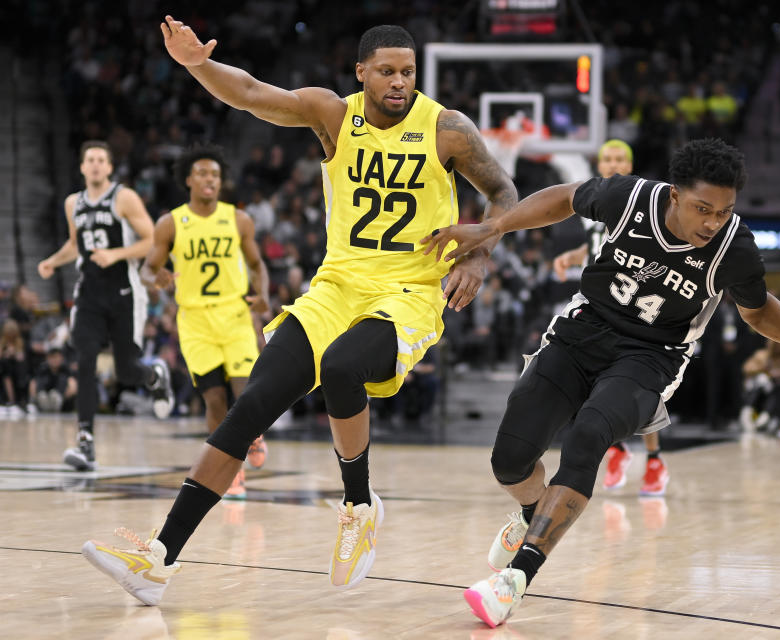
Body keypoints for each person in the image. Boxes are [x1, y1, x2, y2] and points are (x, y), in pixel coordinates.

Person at [81, 17, 517, 605]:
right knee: (250, 406)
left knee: (342, 367)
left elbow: (503, 192)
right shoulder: (333, 114)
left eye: (408, 72)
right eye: (386, 71)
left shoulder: (447, 130)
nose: (399, 82)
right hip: (336, 287)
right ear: (361, 73)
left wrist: (481, 253)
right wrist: (197, 65)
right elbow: (255, 95)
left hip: (409, 293)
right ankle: (158, 559)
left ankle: (358, 506)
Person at [421, 138, 780, 628]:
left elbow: (758, 309)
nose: (713, 222)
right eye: (703, 208)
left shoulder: (733, 247)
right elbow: (564, 198)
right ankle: (534, 512)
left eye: (724, 211)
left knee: (589, 435)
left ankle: (514, 580)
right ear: (674, 195)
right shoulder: (630, 197)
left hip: (651, 357)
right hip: (582, 331)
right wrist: (495, 224)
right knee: (509, 461)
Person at [140, 144, 271, 500]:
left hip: (233, 316)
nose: (209, 179)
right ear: (188, 180)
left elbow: (258, 265)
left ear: (220, 180)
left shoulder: (238, 219)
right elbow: (146, 269)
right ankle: (234, 472)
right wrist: (157, 280)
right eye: (201, 173)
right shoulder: (170, 222)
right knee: (214, 403)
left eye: (214, 173)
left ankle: (253, 434)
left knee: (246, 397)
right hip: (195, 322)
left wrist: (263, 298)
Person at [37, 141, 174, 471]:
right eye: (90, 160)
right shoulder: (73, 203)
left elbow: (152, 241)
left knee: (126, 370)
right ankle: (85, 443)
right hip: (89, 295)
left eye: (101, 160)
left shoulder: (123, 197)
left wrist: (116, 254)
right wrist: (53, 262)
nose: (96, 165)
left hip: (125, 293)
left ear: (110, 168)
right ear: (82, 167)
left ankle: (154, 376)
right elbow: (75, 244)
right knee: (84, 359)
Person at [552, 139, 669, 495]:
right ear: (599, 165)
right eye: (607, 159)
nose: (613, 164)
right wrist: (569, 259)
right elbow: (594, 245)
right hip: (599, 310)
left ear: (630, 165)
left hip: (637, 311)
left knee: (643, 392)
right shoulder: (595, 206)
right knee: (594, 384)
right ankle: (617, 451)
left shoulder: (647, 206)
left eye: (620, 159)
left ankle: (654, 460)